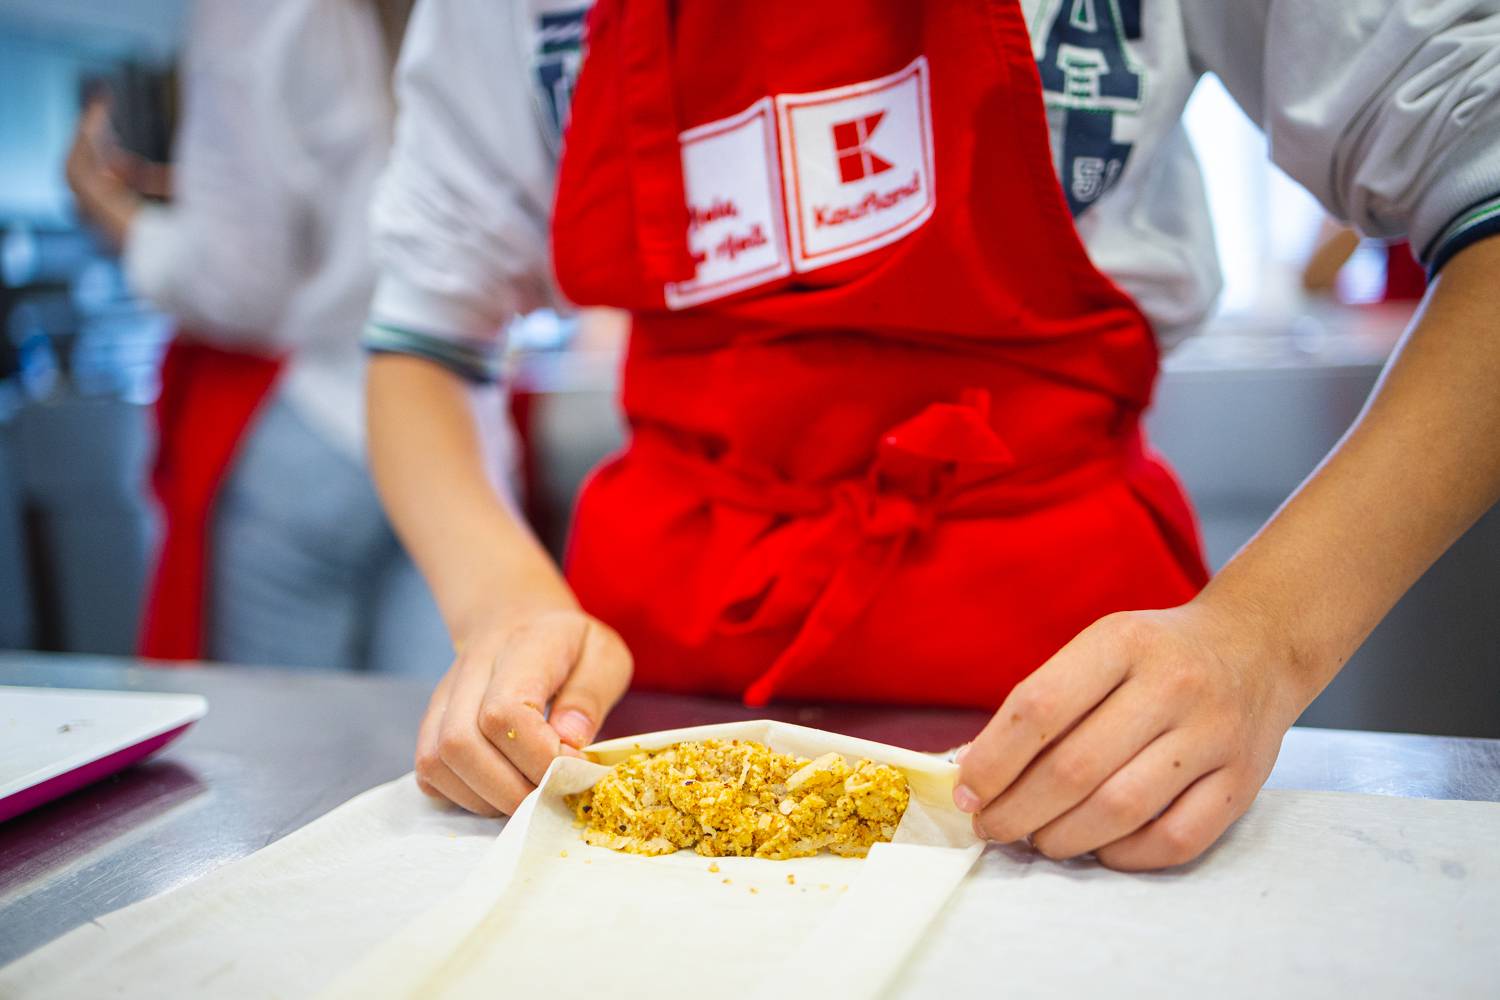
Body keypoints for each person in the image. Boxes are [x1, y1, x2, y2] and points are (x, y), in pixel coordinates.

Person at [364, 0, 1500, 869]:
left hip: (1075, 699)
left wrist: (1264, 640)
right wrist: (506, 605)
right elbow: (425, 334)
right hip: (645, 690)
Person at [64, 0, 499, 675]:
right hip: (461, 425)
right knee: (439, 735)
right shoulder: (479, 19)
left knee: (298, 742)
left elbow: (238, 283)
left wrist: (117, 216)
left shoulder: (257, 13)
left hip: (321, 420)